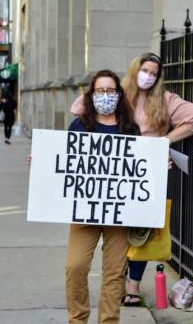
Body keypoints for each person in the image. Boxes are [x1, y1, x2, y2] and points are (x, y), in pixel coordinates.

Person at [71, 52, 193, 306]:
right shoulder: (117, 93)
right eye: (145, 70)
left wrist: (164, 141)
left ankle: (133, 285)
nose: (148, 77)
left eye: (154, 73)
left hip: (146, 171)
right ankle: (116, 280)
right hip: (112, 170)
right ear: (134, 69)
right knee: (113, 228)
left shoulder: (164, 99)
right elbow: (78, 108)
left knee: (140, 230)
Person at [65, 69, 140, 323]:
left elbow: (140, 166)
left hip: (119, 213)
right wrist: (42, 160)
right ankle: (77, 319)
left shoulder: (130, 128)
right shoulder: (79, 125)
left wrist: (158, 167)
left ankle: (108, 321)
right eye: (100, 90)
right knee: (75, 267)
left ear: (118, 94)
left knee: (114, 273)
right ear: (92, 94)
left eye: (110, 91)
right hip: (85, 210)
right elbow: (63, 161)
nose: (105, 95)